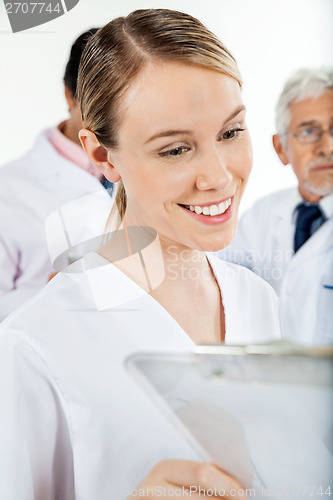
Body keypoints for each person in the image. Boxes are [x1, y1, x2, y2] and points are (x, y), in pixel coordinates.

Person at [0, 9, 281, 499]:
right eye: (175, 150)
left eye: (231, 132)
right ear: (104, 157)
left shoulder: (258, 301)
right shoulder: (35, 343)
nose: (218, 176)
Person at [0, 29, 113, 321]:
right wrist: (52, 291)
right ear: (69, 94)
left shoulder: (152, 171)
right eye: (98, 102)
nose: (112, 119)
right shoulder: (8, 190)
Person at [218, 68, 333, 345]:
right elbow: (217, 282)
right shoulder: (261, 216)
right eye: (308, 131)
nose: (327, 146)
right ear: (281, 148)